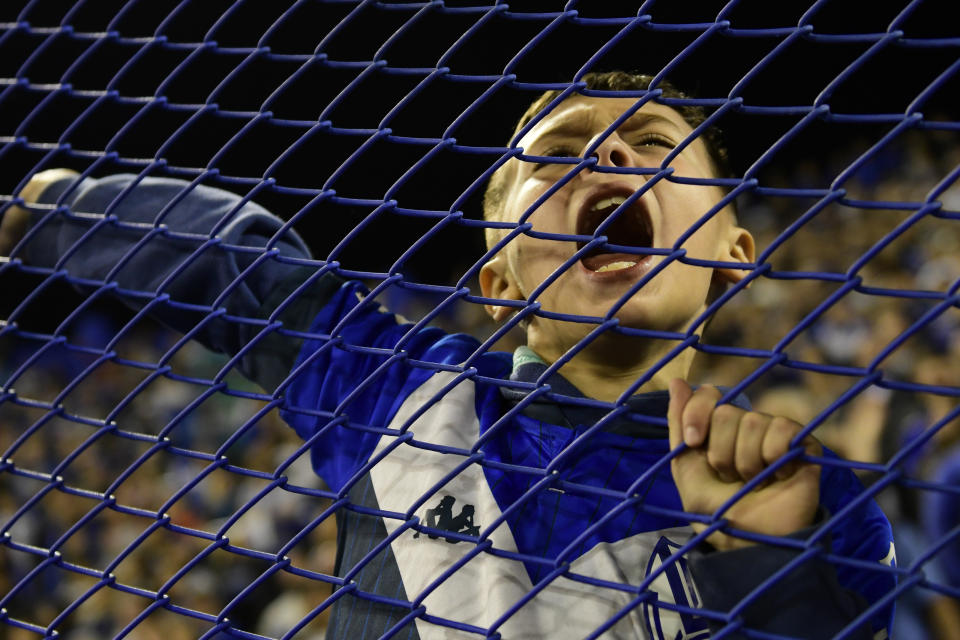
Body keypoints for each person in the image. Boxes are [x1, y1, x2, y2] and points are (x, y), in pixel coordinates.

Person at [0, 72, 896, 639]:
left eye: (655, 143)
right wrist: (47, 205)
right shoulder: (404, 392)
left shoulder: (810, 505)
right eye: (557, 158)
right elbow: (248, 266)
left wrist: (769, 561)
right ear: (500, 281)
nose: (614, 151)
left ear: (732, 256)